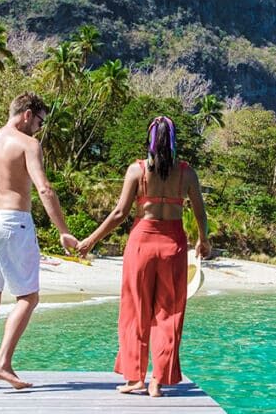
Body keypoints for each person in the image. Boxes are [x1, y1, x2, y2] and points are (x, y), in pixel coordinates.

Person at [77, 115, 210, 398]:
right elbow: (200, 211)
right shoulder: (186, 173)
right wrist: (203, 240)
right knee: (168, 313)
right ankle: (157, 381)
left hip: (141, 244)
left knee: (135, 310)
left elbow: (119, 213)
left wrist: (90, 240)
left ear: (150, 139)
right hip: (173, 245)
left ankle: (135, 377)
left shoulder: (137, 171)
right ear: (174, 140)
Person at [0, 92, 78, 390]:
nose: (39, 127)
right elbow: (45, 189)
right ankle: (3, 363)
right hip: (11, 220)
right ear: (26, 114)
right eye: (39, 121)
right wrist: (63, 230)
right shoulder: (27, 145)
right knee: (28, 297)